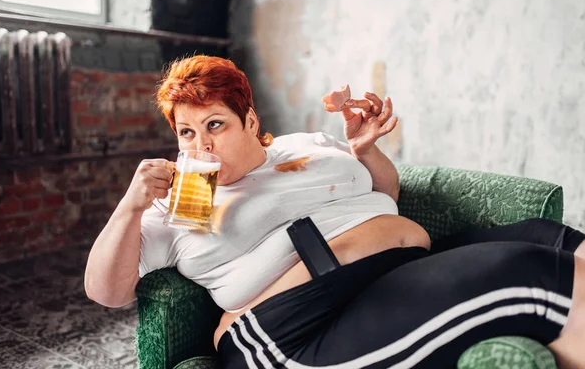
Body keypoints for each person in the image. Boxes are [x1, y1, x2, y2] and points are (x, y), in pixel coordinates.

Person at [84, 55, 585, 368]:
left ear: (250, 120)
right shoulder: (182, 203)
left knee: (550, 236)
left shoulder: (307, 146)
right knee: (530, 272)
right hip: (297, 327)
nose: (202, 145)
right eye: (187, 133)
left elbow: (384, 197)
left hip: (388, 270)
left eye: (215, 125)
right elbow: (105, 292)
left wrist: (366, 152)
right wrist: (131, 207)